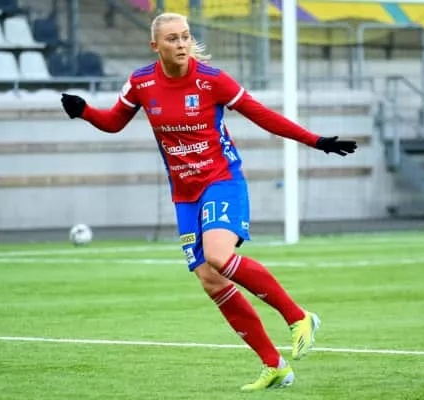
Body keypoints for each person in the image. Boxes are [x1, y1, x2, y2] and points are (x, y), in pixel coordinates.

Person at [61, 12, 357, 391]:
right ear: (156, 46)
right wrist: (85, 112)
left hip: (221, 181)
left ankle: (298, 317)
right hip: (184, 194)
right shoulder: (141, 82)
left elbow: (262, 115)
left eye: (185, 36)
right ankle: (274, 365)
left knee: (218, 256)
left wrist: (317, 141)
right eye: (172, 38)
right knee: (210, 281)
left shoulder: (211, 80)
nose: (182, 44)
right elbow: (114, 122)